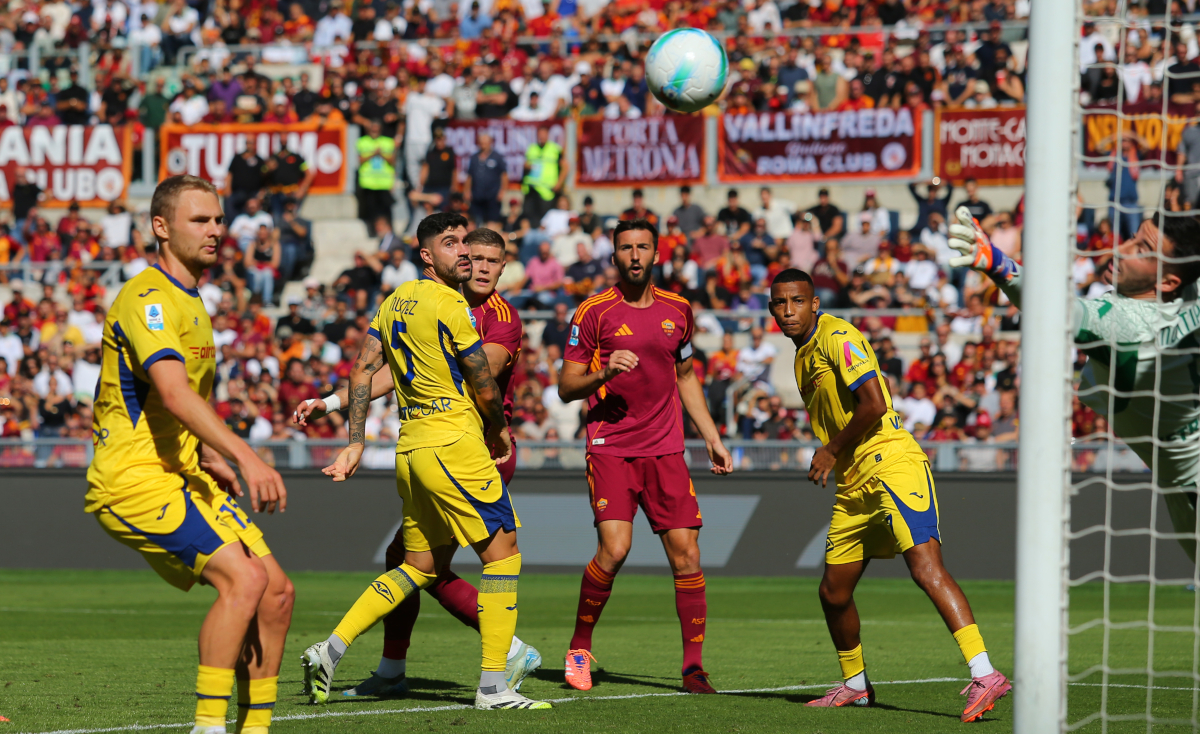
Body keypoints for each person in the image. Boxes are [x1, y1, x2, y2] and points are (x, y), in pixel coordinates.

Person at [301, 213, 551, 711]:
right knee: (502, 556)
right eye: (458, 247)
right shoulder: (452, 305)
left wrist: (352, 439)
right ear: (429, 255)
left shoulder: (400, 302)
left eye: (479, 253)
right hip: (461, 446)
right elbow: (481, 379)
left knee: (415, 564)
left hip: (411, 446)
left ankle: (331, 651)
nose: (468, 258)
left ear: (501, 267)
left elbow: (368, 368)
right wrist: (499, 427)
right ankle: (496, 682)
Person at [85, 176, 292, 734]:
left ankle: (256, 729)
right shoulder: (147, 298)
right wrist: (248, 457)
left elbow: (172, 404)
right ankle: (207, 727)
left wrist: (208, 453)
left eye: (218, 220)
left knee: (276, 593)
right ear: (161, 227)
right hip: (131, 479)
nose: (215, 231)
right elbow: (173, 393)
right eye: (200, 220)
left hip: (180, 471)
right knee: (243, 582)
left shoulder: (192, 300)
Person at [767, 268, 1010, 721]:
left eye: (797, 301)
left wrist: (830, 448)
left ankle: (985, 672)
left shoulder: (838, 336)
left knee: (925, 567)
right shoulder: (802, 358)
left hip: (892, 465)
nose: (788, 310)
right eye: (780, 303)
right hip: (853, 483)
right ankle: (856, 685)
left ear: (815, 303)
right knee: (833, 591)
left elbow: (875, 403)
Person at [950, 207, 1200, 560]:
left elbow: (1057, 310)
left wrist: (997, 263)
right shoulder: (1191, 287)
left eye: (1143, 251)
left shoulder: (1127, 326)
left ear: (1168, 282)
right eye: (1132, 238)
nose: (1121, 250)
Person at [558, 218, 733, 695]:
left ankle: (694, 668)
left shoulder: (679, 309)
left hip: (666, 449)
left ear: (656, 254)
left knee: (688, 556)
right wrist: (604, 372)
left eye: (642, 247)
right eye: (625, 248)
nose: (634, 255)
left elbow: (687, 376)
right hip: (611, 448)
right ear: (613, 256)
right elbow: (565, 387)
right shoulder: (593, 312)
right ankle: (578, 647)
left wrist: (712, 436)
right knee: (615, 550)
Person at [522, 125, 566, 226]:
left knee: (544, 221)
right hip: (531, 190)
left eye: (543, 135)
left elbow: (565, 167)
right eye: (539, 135)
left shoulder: (555, 149)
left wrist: (559, 183)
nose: (541, 137)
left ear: (548, 136)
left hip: (547, 191)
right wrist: (527, 166)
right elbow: (526, 164)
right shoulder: (531, 148)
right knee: (529, 218)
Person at [356, 119, 397, 226]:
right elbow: (359, 160)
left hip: (384, 183)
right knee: (371, 210)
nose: (374, 132)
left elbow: (393, 161)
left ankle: (388, 230)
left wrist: (381, 154)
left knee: (386, 210)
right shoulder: (362, 141)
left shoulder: (388, 142)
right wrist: (373, 153)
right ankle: (374, 230)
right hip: (369, 183)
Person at [465, 133, 507, 225]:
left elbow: (504, 175)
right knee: (475, 221)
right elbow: (470, 176)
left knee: (492, 222)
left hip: (492, 195)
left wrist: (502, 191)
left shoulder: (497, 157)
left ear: (490, 143)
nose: (483, 145)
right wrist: (467, 190)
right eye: (481, 142)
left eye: (485, 142)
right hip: (477, 195)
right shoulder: (474, 157)